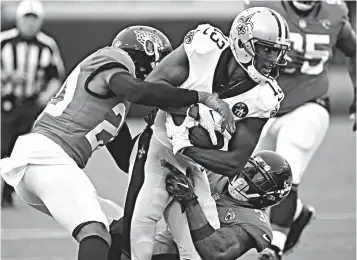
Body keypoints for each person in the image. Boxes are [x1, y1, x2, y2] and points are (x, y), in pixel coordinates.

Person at [0, 25, 233, 260]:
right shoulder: (112, 59)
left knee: (121, 225)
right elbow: (139, 92)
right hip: (47, 154)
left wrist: (173, 151)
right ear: (148, 53)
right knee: (95, 232)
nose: (166, 73)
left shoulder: (117, 104)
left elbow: (128, 159)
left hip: (42, 164)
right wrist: (200, 98)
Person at [122, 7, 291, 260]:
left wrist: (186, 146)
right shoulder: (205, 48)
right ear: (243, 43)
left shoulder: (264, 97)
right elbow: (150, 89)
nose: (273, 59)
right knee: (139, 232)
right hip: (157, 146)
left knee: (198, 253)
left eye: (277, 51)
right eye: (267, 49)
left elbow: (234, 163)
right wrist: (192, 108)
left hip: (196, 164)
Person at [244, 1, 356, 259]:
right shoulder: (265, 7)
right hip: (264, 105)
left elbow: (353, 50)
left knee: (286, 169)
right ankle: (296, 212)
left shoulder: (333, 14)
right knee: (248, 177)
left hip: (310, 104)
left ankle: (275, 247)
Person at [157, 150, 293, 260]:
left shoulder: (256, 223)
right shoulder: (216, 174)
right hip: (169, 242)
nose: (243, 179)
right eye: (250, 170)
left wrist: (190, 200)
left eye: (258, 180)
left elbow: (217, 252)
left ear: (269, 195)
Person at [1, 0, 65, 208]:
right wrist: (9, 78)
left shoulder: (47, 45)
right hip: (5, 103)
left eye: (34, 20)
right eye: (26, 19)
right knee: (3, 147)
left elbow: (55, 76)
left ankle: (8, 193)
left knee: (20, 151)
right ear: (19, 20)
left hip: (31, 105)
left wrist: (45, 98)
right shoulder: (4, 42)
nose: (30, 24)